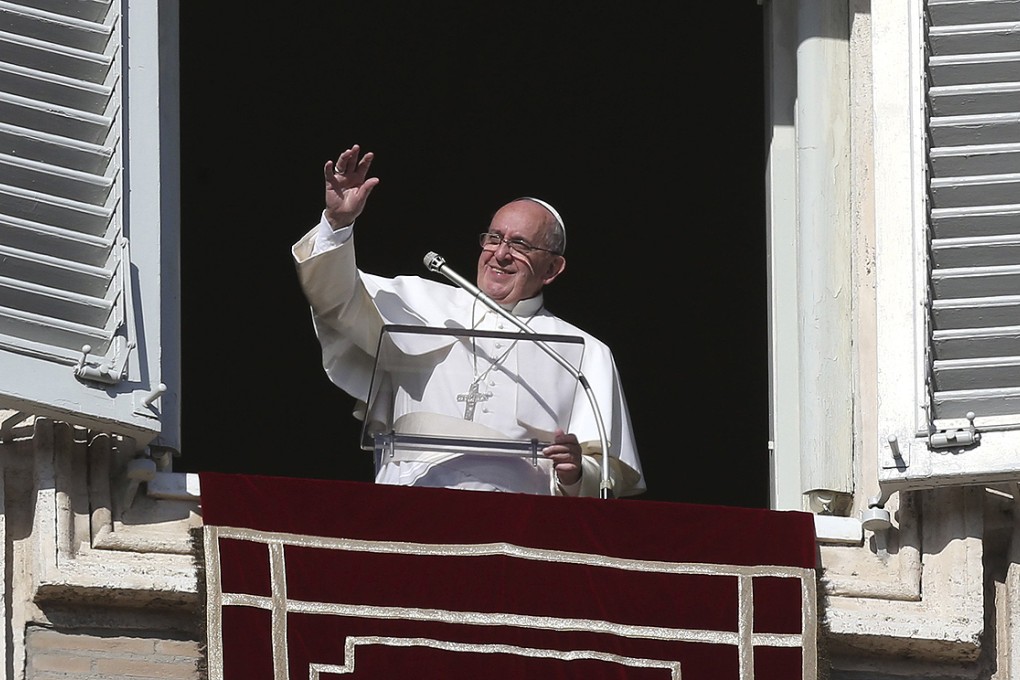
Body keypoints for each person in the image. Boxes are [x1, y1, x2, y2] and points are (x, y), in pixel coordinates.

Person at [292, 144, 644, 497]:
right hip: (411, 500)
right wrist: (338, 224)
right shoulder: (420, 302)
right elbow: (336, 298)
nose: (500, 254)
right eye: (494, 238)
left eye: (520, 245)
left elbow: (609, 477)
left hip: (518, 523)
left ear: (552, 268)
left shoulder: (583, 353)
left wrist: (577, 472)